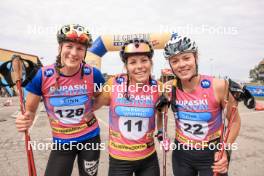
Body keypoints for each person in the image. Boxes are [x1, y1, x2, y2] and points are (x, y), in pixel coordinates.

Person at [15, 24, 105, 176]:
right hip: (62, 143)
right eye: (69, 46)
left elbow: (102, 97)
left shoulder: (93, 74)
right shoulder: (42, 75)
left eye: (80, 48)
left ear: (85, 52)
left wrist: (90, 109)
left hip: (90, 139)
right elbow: (30, 111)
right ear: (60, 48)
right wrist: (23, 119)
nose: (74, 53)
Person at [163, 33, 241, 176]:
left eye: (186, 58)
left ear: (196, 58)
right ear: (170, 65)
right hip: (181, 155)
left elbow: (234, 121)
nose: (181, 65)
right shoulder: (169, 88)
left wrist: (226, 151)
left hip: (212, 154)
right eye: (174, 61)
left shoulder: (218, 85)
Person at [92, 38, 163, 176]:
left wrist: (160, 131)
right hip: (120, 160)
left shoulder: (159, 87)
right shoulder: (114, 84)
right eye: (132, 62)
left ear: (151, 62)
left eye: (144, 60)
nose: (139, 66)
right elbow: (92, 105)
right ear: (126, 66)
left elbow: (161, 113)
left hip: (148, 158)